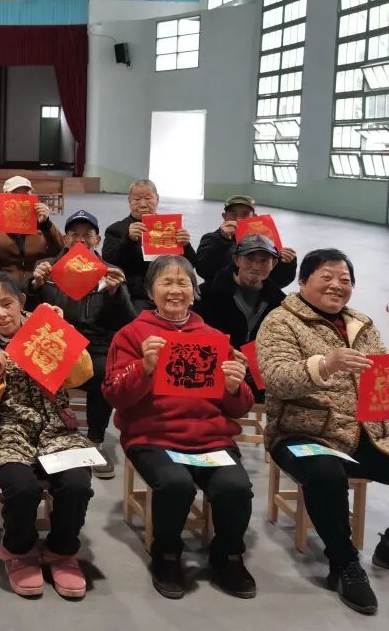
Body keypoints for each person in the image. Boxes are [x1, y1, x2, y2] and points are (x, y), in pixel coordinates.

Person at [257, 249, 389, 616]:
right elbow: (276, 379)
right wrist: (324, 364)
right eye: (326, 277)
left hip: (367, 433)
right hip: (303, 433)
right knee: (325, 473)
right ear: (302, 281)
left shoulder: (361, 323)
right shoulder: (281, 321)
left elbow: (381, 385)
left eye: (345, 280)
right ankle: (344, 562)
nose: (337, 285)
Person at [104, 255, 256, 601]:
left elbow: (240, 406)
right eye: (166, 283)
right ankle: (167, 552)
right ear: (150, 291)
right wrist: (144, 367)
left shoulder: (213, 338)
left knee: (235, 487)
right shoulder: (132, 334)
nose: (175, 290)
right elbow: (114, 393)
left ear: (194, 290)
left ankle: (228, 554)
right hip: (153, 437)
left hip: (210, 439)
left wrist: (234, 387)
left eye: (183, 283)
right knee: (175, 484)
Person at [0, 273, 95, 599]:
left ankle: (62, 549)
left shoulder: (45, 329)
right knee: (22, 487)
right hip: (2, 434)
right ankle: (18, 549)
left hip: (55, 429)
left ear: (21, 301)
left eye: (7, 303)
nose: (1, 314)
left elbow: (81, 374)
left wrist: (62, 333)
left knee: (77, 482)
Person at [27, 209, 136, 478]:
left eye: (87, 235)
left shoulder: (111, 272)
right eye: (74, 235)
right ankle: (42, 437)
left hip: (95, 347)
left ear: (97, 240)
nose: (80, 240)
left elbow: (128, 322)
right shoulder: (48, 268)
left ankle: (95, 441)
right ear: (65, 240)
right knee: (28, 367)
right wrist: (34, 286)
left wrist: (115, 293)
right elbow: (26, 316)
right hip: (55, 345)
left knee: (104, 372)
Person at [195, 234, 286, 401]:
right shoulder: (204, 294)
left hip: (259, 385)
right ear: (236, 260)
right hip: (211, 375)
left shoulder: (281, 304)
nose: (256, 266)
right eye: (249, 259)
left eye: (264, 261)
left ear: (273, 264)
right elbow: (192, 335)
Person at [101, 179, 196, 312]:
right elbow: (109, 263)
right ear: (129, 201)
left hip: (169, 291)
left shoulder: (170, 227)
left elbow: (190, 265)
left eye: (148, 198)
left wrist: (186, 245)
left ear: (157, 199)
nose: (143, 204)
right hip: (135, 295)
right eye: (137, 199)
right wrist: (127, 240)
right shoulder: (116, 229)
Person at [0, 176, 63, 283]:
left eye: (26, 196)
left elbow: (62, 254)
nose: (21, 200)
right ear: (5, 198)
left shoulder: (43, 229)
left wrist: (47, 224)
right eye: (15, 195)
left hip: (34, 287)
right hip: (2, 288)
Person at [194, 194, 297, 286]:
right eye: (233, 214)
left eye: (245, 214)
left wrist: (287, 264)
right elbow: (203, 271)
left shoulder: (266, 243)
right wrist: (222, 241)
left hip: (255, 297)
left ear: (254, 217)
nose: (238, 219)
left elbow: (279, 281)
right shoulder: (211, 239)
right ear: (224, 216)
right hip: (219, 294)